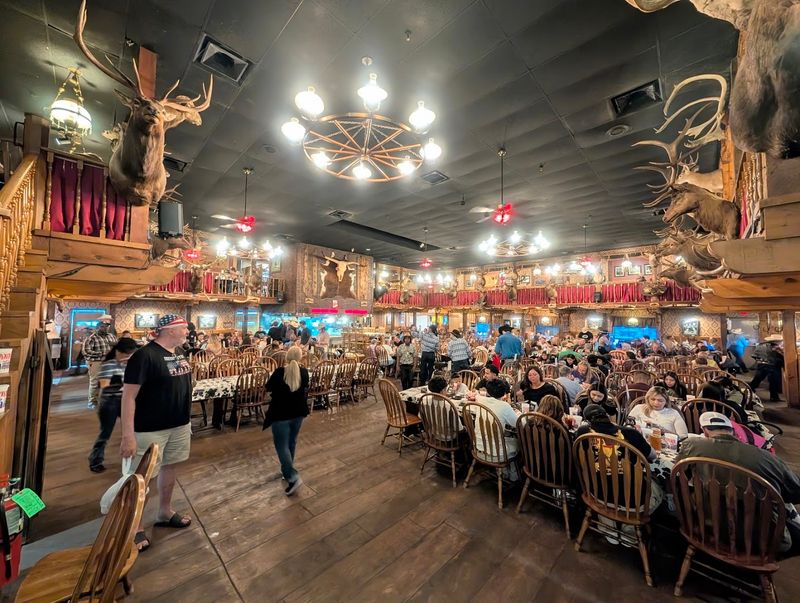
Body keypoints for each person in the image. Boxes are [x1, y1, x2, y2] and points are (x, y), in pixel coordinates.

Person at [121, 315, 194, 552]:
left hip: (179, 424)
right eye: (184, 328)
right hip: (150, 427)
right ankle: (134, 526)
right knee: (142, 478)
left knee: (170, 466)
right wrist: (127, 435)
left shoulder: (179, 352)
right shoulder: (144, 356)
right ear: (169, 331)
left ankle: (164, 510)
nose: (187, 332)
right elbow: (128, 397)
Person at [677, 411, 800, 552]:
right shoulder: (767, 459)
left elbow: (679, 474)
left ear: (704, 431)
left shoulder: (692, 446)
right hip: (760, 537)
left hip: (705, 523)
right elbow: (795, 493)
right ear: (734, 431)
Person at [88, 338, 139, 473]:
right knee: (105, 433)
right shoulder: (109, 364)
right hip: (110, 401)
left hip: (125, 401)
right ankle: (95, 460)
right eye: (126, 354)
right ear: (118, 352)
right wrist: (121, 385)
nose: (128, 357)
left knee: (133, 430)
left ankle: (134, 458)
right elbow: (104, 385)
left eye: (130, 354)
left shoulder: (131, 364)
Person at [263, 346, 309, 496]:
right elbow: (305, 387)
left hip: (280, 414)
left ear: (286, 357)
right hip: (298, 413)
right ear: (300, 357)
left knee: (281, 445)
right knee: (291, 442)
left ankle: (292, 476)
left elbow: (268, 388)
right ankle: (287, 471)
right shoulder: (304, 372)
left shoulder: (279, 372)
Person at [82, 314, 118, 409]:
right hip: (95, 362)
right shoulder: (91, 338)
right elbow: (86, 351)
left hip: (109, 362)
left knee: (107, 381)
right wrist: (102, 353)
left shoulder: (111, 336)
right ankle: (92, 402)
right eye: (102, 326)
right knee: (94, 382)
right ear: (97, 327)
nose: (105, 328)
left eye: (106, 326)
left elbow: (117, 347)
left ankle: (104, 401)